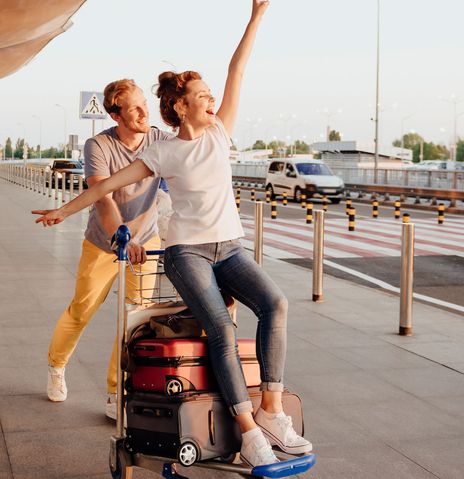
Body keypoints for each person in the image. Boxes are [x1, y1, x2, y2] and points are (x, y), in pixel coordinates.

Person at [33, 0, 312, 466]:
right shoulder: (162, 153)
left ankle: (272, 411)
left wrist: (256, 17)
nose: (211, 99)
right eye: (201, 96)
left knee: (275, 304)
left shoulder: (220, 132)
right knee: (219, 327)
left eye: (209, 94)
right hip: (187, 253)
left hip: (229, 247)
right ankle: (247, 432)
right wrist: (63, 212)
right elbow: (106, 189)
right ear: (181, 107)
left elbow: (236, 68)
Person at [44, 79, 172, 420]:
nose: (144, 112)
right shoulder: (98, 146)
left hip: (146, 243)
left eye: (144, 103)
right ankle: (56, 365)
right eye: (134, 107)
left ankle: (117, 392)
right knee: (82, 310)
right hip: (104, 243)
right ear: (116, 115)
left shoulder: (159, 139)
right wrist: (122, 238)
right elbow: (102, 198)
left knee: (135, 318)